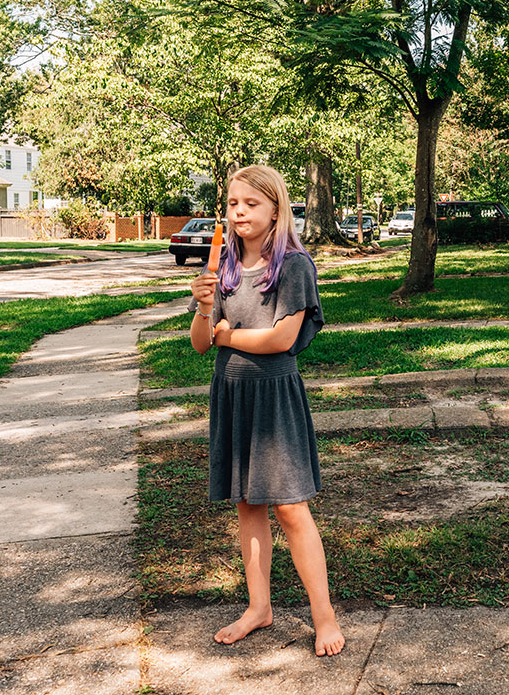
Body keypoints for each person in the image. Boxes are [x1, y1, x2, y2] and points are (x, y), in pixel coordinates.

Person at [189, 164, 346, 656]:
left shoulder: (294, 266)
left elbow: (282, 339)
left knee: (290, 507)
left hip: (274, 398)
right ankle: (260, 607)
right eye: (233, 203)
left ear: (276, 208)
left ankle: (325, 618)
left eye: (250, 204)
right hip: (231, 392)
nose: (239, 212)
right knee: (248, 504)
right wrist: (201, 307)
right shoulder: (225, 269)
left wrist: (226, 334)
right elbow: (199, 346)